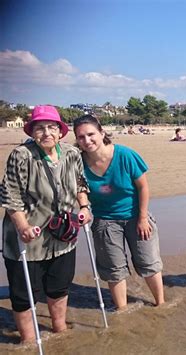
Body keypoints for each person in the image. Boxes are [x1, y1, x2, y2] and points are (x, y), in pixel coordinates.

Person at [1, 105, 91, 343]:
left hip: (62, 237)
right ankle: (29, 342)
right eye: (40, 128)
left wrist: (84, 207)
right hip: (27, 240)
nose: (46, 133)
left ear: (61, 131)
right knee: (23, 296)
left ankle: (59, 331)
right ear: (32, 132)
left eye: (52, 127)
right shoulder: (21, 155)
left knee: (59, 287)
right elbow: (10, 197)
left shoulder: (71, 153)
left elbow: (81, 183)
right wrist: (22, 227)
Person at [73, 115, 165, 310]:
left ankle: (161, 304)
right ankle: (122, 310)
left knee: (148, 263)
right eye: (81, 137)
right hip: (105, 221)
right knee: (114, 269)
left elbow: (143, 187)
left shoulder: (125, 155)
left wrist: (142, 218)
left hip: (136, 216)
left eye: (91, 134)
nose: (87, 140)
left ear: (102, 133)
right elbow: (80, 188)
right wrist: (83, 207)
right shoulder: (78, 162)